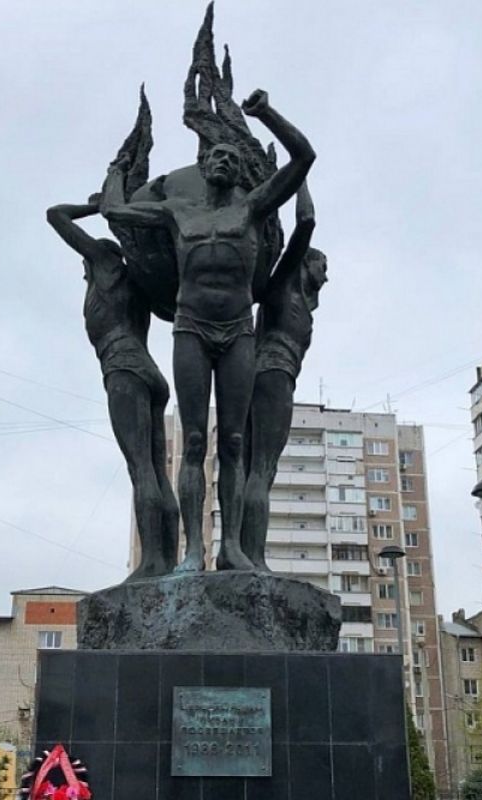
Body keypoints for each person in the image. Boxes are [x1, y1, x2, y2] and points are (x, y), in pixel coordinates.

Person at [100, 88, 315, 572]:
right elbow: (115, 211)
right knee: (194, 441)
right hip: (191, 328)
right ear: (204, 168)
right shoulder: (179, 211)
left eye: (230, 158)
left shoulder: (253, 208)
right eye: (215, 156)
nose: (222, 160)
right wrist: (118, 168)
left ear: (239, 172)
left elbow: (304, 157)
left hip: (238, 331)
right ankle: (193, 551)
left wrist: (264, 113)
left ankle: (231, 547)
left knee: (234, 443)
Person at [45, 199, 179, 579]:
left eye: (85, 264)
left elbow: (55, 215)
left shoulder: (107, 266)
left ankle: (151, 562)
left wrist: (100, 207)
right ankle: (165, 561)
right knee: (157, 473)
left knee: (141, 470)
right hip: (149, 372)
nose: (84, 271)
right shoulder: (138, 284)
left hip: (124, 368)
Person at [241, 183, 327, 568]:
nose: (327, 276)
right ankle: (253, 558)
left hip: (268, 376)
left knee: (251, 469)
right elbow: (306, 222)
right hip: (273, 374)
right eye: (323, 266)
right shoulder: (284, 286)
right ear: (306, 263)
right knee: (262, 469)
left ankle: (242, 554)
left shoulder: (299, 301)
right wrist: (300, 174)